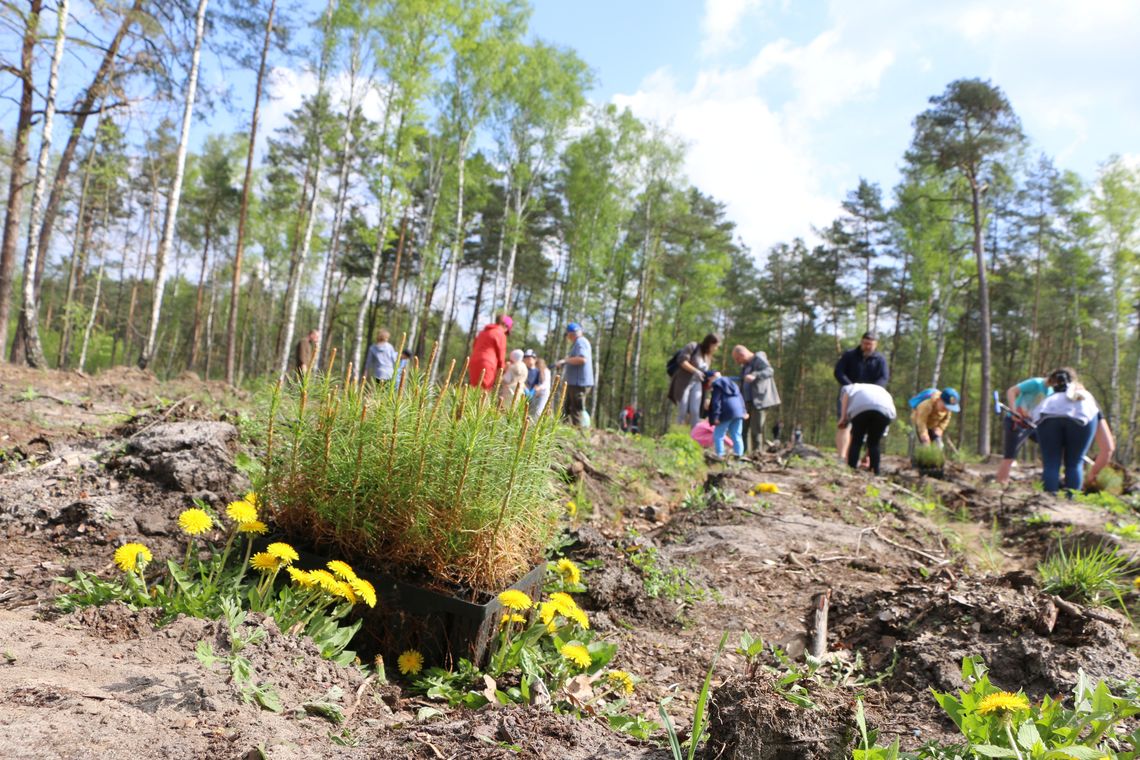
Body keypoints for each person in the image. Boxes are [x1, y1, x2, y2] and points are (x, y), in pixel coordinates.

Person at [1033, 368, 1106, 494]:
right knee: (1075, 462)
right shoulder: (1085, 397)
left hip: (1048, 417)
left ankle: (1049, 498)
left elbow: (1035, 417)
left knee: (1051, 463)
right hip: (1081, 420)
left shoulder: (1049, 400)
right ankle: (1072, 499)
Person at [834, 332, 889, 460]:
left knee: (860, 428)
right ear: (861, 342)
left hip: (869, 398)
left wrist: (871, 389)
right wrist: (851, 386)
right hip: (848, 394)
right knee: (844, 424)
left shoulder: (880, 360)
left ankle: (853, 457)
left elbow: (884, 378)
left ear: (876, 344)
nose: (867, 346)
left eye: (870, 344)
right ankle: (842, 456)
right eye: (865, 343)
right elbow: (839, 372)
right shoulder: (849, 355)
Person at [996, 375, 1051, 484]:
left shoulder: (1051, 391)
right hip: (1015, 421)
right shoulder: (1035, 383)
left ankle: (1049, 480)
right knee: (1010, 454)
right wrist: (1014, 411)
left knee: (1049, 445)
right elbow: (1011, 391)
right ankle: (1001, 482)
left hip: (1031, 423)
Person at [838, 383, 897, 475]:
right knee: (874, 442)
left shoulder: (851, 387)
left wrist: (843, 417)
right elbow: (881, 434)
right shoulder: (882, 390)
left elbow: (846, 395)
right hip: (886, 410)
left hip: (860, 407)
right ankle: (875, 471)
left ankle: (851, 469)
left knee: (857, 440)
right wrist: (867, 455)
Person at [732, 344, 780, 453]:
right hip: (746, 402)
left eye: (737, 359)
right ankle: (742, 453)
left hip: (759, 401)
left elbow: (769, 371)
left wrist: (755, 375)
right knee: (743, 429)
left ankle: (757, 454)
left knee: (756, 430)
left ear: (742, 354)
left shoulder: (758, 358)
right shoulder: (745, 365)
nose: (737, 362)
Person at [668, 333, 720, 428]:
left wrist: (713, 375)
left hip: (697, 383)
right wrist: (695, 371)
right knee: (682, 409)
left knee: (695, 411)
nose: (716, 349)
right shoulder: (693, 346)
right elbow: (682, 361)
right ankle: (677, 435)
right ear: (710, 343)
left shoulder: (708, 356)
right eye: (715, 346)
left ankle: (695, 437)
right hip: (683, 382)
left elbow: (705, 372)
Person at [555, 322, 593, 426]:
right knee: (567, 410)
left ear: (571, 334)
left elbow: (582, 359)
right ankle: (565, 434)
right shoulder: (578, 342)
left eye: (567, 334)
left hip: (579, 384)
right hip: (575, 383)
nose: (567, 337)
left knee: (576, 411)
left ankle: (579, 438)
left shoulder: (581, 342)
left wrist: (565, 361)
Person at [705, 371, 746, 458]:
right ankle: (739, 456)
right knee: (737, 434)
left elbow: (716, 402)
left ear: (711, 378)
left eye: (707, 381)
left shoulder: (717, 384)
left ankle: (720, 455)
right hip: (738, 411)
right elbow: (740, 398)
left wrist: (716, 416)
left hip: (726, 411)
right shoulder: (733, 384)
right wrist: (744, 411)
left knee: (718, 435)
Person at [469, 314, 512, 390]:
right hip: (487, 364)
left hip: (473, 362)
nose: (505, 333)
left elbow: (474, 346)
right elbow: (501, 357)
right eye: (507, 331)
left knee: (473, 390)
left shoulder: (482, 333)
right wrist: (502, 370)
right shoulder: (500, 334)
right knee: (484, 392)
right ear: (505, 326)